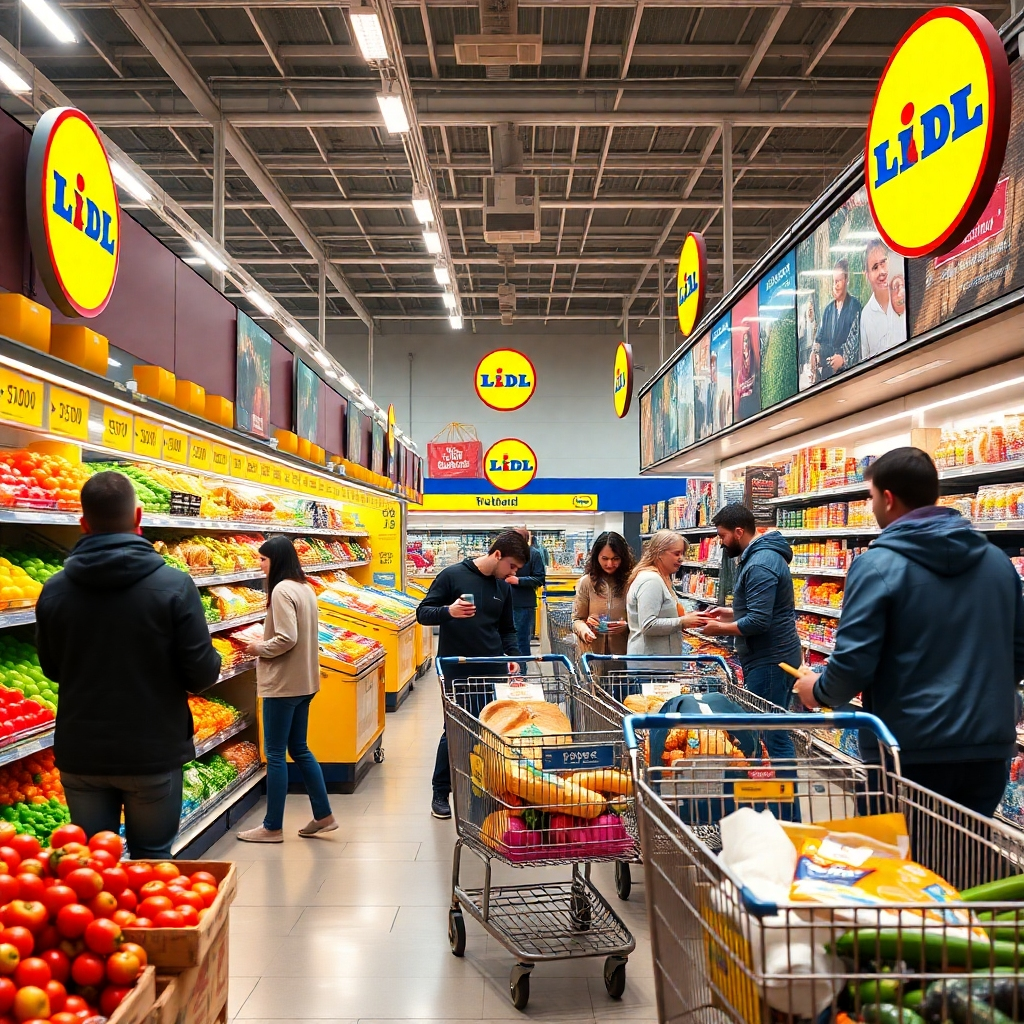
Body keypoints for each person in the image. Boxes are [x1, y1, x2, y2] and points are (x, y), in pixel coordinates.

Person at [793, 447, 1024, 817]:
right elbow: (1018, 654)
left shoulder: (877, 565)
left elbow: (855, 661)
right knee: (967, 861)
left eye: (870, 498)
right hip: (987, 749)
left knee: (901, 865)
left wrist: (817, 691)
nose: (871, 508)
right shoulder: (997, 562)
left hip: (906, 750)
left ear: (888, 498)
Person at [34, 471, 221, 858]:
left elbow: (52, 668)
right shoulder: (174, 585)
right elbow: (202, 673)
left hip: (82, 750)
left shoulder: (54, 589)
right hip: (151, 751)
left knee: (89, 869)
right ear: (138, 517)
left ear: (83, 523)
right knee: (151, 862)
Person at [416, 529, 529, 819]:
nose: (512, 574)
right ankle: (441, 791)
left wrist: (514, 657)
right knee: (454, 729)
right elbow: (423, 612)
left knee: (490, 730)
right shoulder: (452, 576)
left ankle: (483, 789)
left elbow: (507, 628)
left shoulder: (502, 587)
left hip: (491, 669)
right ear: (497, 555)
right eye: (512, 566)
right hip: (457, 667)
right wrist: (448, 611)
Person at [238, 535, 335, 843]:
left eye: (263, 560)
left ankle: (272, 826)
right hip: (305, 682)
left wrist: (257, 648)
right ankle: (324, 815)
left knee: (276, 754)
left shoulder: (281, 590)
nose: (260, 565)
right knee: (300, 749)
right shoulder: (304, 588)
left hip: (283, 684)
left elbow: (286, 638)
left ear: (275, 560)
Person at [702, 504, 802, 760]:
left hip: (770, 660)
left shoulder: (760, 563)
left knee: (772, 735)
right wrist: (729, 614)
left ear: (738, 532)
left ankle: (787, 800)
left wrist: (720, 629)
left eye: (722, 536)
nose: (721, 543)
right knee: (768, 731)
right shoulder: (758, 558)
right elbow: (761, 610)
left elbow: (759, 621)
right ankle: (775, 797)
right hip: (769, 656)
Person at [625, 531, 708, 655]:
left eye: (682, 553)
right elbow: (648, 625)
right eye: (676, 553)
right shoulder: (651, 580)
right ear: (659, 553)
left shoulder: (663, 578)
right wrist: (682, 622)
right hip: (649, 666)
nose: (681, 559)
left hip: (657, 664)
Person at [573, 531, 635, 656]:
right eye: (605, 559)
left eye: (615, 559)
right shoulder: (586, 582)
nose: (610, 564)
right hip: (593, 654)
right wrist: (585, 630)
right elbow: (577, 619)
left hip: (625, 654)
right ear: (596, 557)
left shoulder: (633, 581)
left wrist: (627, 626)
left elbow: (643, 621)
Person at [814, 259, 861, 381]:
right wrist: (815, 354)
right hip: (826, 377)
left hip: (848, 376)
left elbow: (856, 340)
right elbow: (819, 339)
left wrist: (843, 358)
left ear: (846, 281)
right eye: (834, 281)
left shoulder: (855, 307)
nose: (836, 285)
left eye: (839, 281)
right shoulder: (828, 310)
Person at [860, 239, 907, 361]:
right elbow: (866, 359)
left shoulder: (903, 295)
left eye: (883, 263)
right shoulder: (866, 315)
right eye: (875, 267)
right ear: (867, 275)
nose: (882, 271)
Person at [506, 527, 546, 660]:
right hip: (505, 604)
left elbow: (540, 579)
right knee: (507, 643)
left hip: (523, 606)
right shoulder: (506, 555)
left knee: (521, 643)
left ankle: (522, 675)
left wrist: (518, 580)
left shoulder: (534, 554)